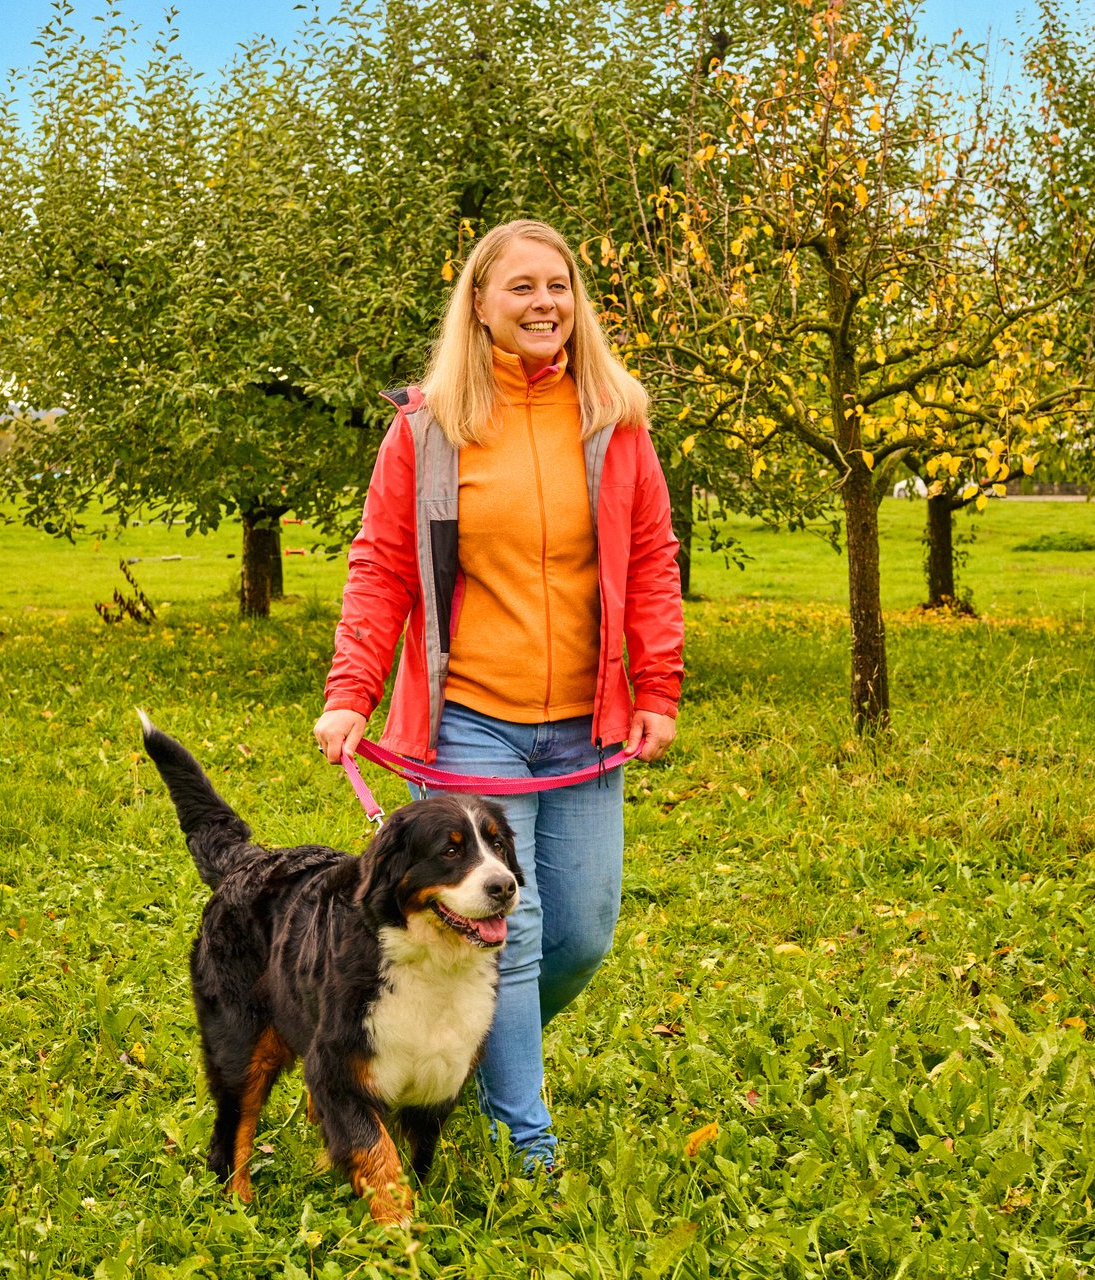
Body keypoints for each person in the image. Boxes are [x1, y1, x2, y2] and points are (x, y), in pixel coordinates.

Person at [314, 218, 684, 1170]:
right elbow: (382, 565)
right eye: (520, 287)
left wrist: (658, 688)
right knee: (506, 937)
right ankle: (529, 1145)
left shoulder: (615, 421)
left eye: (557, 286)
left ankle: (475, 1054)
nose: (543, 303)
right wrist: (352, 692)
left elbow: (650, 564)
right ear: (479, 305)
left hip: (586, 727)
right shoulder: (428, 427)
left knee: (583, 935)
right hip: (470, 721)